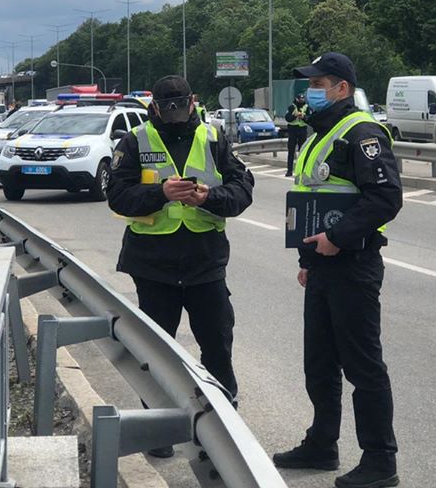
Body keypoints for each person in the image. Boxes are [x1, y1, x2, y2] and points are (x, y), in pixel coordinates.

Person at [273, 52, 404, 488]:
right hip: (323, 268)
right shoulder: (318, 133)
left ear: (341, 88)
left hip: (354, 264)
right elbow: (315, 201)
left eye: (319, 82)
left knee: (363, 367)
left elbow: (384, 199)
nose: (310, 90)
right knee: (320, 364)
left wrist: (338, 240)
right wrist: (309, 260)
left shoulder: (362, 132)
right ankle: (322, 444)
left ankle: (380, 461)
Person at [107, 75, 254, 458]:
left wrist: (210, 197)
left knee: (217, 347)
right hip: (153, 266)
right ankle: (158, 432)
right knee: (157, 352)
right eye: (166, 108)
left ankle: (222, 432)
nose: (174, 114)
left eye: (180, 106)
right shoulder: (135, 140)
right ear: (154, 106)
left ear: (193, 100)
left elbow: (243, 191)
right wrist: (160, 193)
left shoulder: (213, 137)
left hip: (205, 263)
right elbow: (117, 196)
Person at [284, 92, 309, 177]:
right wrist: (295, 116)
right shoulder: (291, 107)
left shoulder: (306, 107)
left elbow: (310, 119)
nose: (301, 100)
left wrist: (303, 117)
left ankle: (302, 171)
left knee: (302, 151)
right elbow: (287, 118)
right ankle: (289, 171)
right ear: (297, 99)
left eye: (303, 99)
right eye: (300, 99)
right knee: (291, 151)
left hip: (302, 130)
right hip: (292, 130)